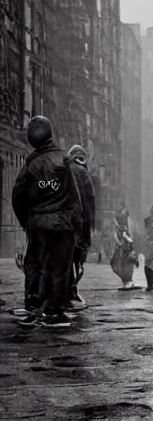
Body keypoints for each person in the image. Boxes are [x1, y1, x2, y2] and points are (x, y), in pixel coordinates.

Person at [12, 116, 83, 328]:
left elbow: (17, 195)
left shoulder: (31, 163)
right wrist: (76, 223)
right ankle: (53, 312)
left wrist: (27, 222)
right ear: (50, 134)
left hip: (38, 224)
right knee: (59, 268)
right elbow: (74, 196)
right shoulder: (64, 160)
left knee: (34, 264)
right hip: (62, 225)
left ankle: (32, 308)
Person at [67, 144, 96, 308]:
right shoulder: (84, 173)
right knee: (76, 259)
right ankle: (71, 292)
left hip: (65, 222)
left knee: (65, 259)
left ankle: (68, 292)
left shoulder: (63, 169)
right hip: (80, 223)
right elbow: (90, 200)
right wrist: (91, 223)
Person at [110, 208, 139, 289]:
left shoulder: (124, 225)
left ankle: (128, 281)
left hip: (125, 248)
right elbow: (118, 235)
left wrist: (127, 241)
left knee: (125, 264)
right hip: (122, 247)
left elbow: (126, 236)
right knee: (118, 263)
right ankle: (127, 281)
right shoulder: (121, 225)